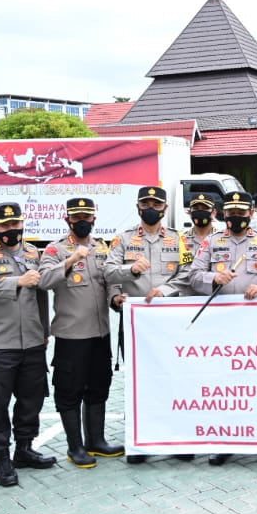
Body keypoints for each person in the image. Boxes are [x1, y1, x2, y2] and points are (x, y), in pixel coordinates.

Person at [189, 190, 257, 465]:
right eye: (230, 212)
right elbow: (193, 276)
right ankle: (225, 441)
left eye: (241, 212)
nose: (236, 217)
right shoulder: (210, 243)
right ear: (223, 214)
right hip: (221, 326)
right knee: (226, 384)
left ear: (251, 214)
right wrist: (213, 276)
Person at [105, 186, 195, 465]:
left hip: (169, 320)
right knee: (138, 382)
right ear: (138, 206)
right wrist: (129, 273)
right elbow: (108, 272)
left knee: (173, 379)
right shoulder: (122, 240)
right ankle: (140, 442)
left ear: (165, 208)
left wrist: (165, 292)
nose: (151, 207)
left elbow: (188, 273)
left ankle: (178, 439)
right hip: (137, 324)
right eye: (146, 203)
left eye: (156, 203)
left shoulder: (178, 240)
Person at [0, 202, 53, 487]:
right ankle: (2, 457)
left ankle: (25, 448)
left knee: (32, 398)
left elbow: (41, 295)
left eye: (15, 224)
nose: (11, 230)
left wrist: (44, 329)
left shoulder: (32, 253)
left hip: (31, 340)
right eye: (4, 225)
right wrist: (18, 281)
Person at [38, 197, 122, 470]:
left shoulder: (102, 248)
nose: (82, 221)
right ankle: (75, 446)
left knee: (99, 386)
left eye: (87, 216)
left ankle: (96, 440)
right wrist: (72, 258)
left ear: (94, 219)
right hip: (72, 335)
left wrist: (116, 299)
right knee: (70, 391)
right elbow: (44, 281)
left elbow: (110, 281)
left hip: (100, 333)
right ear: (68, 220)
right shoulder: (55, 249)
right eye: (77, 217)